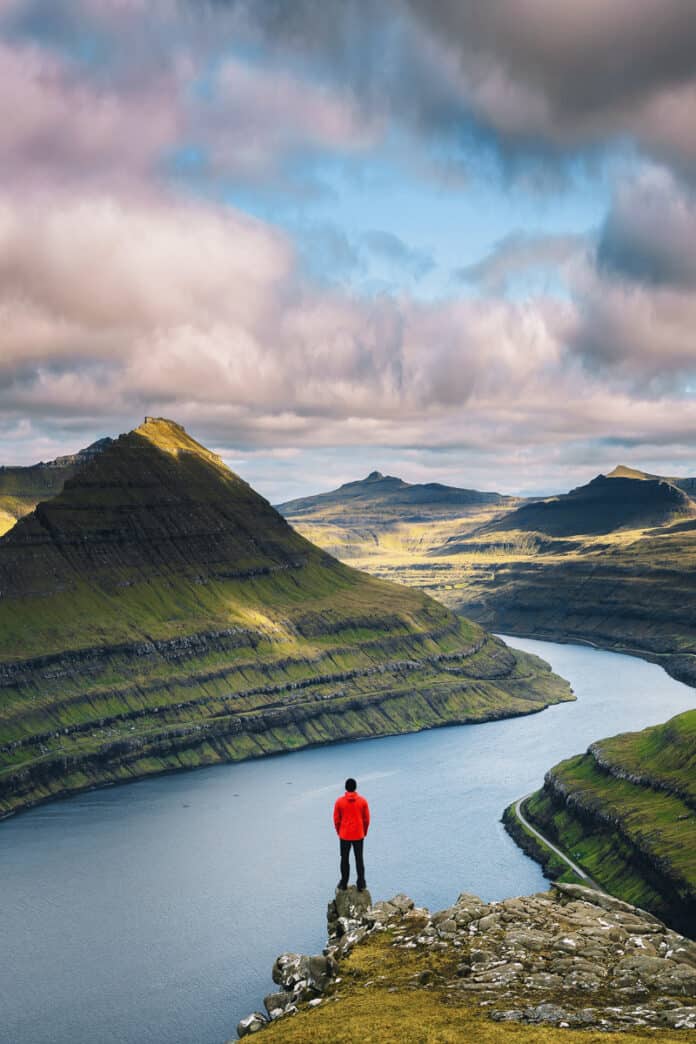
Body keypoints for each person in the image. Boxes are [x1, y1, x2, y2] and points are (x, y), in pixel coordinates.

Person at [333, 777, 370, 891]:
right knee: (359, 859)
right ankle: (361, 883)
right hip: (358, 834)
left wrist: (339, 831)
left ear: (346, 787)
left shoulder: (339, 802)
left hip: (344, 835)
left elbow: (336, 819)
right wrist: (364, 831)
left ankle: (344, 883)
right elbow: (366, 819)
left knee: (344, 859)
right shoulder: (363, 801)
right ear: (355, 787)